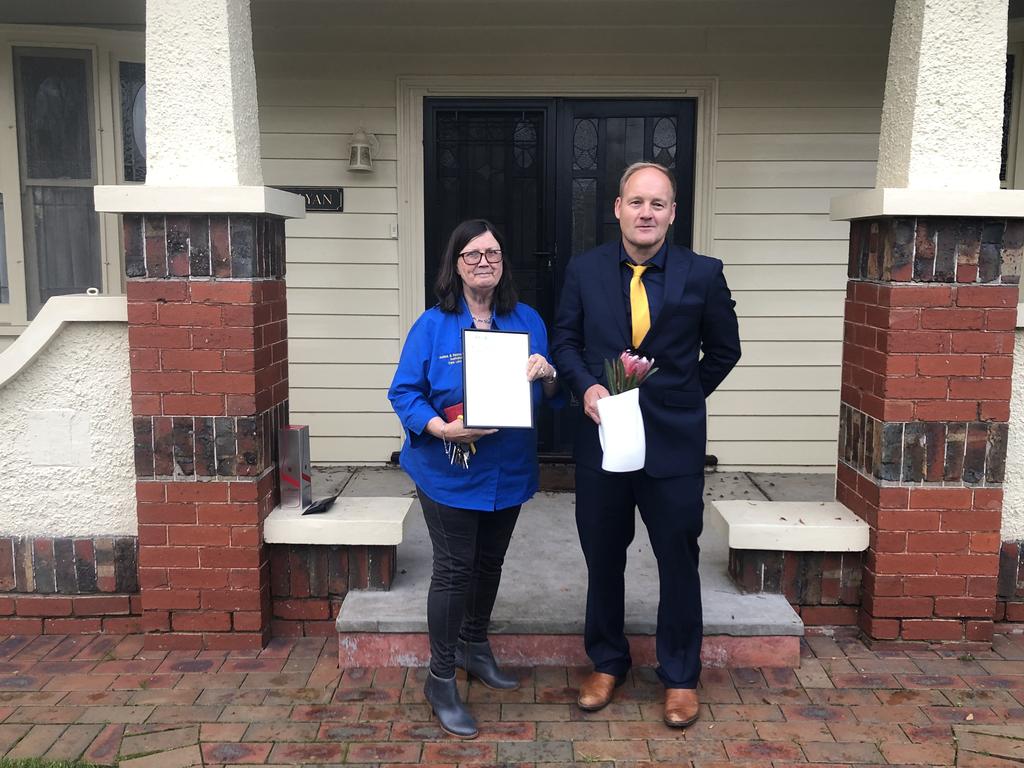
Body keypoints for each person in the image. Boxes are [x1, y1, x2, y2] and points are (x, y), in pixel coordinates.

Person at [551, 162, 741, 728]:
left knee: (678, 562)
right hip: (603, 441)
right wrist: (586, 387)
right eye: (637, 202)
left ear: (672, 213)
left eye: (657, 204)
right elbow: (565, 339)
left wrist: (682, 398)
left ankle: (680, 675)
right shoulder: (585, 271)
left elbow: (725, 350)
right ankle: (607, 661)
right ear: (617, 208)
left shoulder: (702, 274)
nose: (646, 213)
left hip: (673, 449)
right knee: (603, 557)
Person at [388, 219, 562, 739]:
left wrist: (548, 373)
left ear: (503, 261)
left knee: (490, 564)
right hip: (446, 471)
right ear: (455, 265)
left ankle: (474, 644)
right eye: (472, 254)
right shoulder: (433, 325)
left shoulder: (527, 320)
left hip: (507, 468)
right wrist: (442, 427)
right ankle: (440, 678)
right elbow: (404, 393)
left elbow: (551, 395)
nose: (484, 261)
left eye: (492, 252)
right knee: (454, 569)